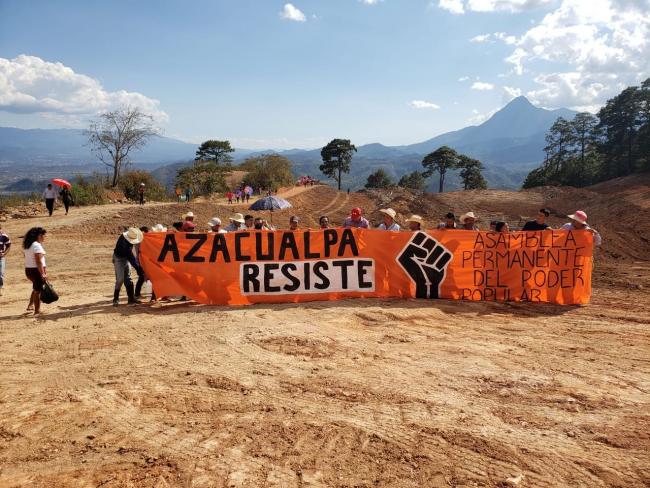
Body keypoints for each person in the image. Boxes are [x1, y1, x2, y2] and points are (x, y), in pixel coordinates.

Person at [112, 227, 144, 306]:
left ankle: (131, 299)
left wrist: (138, 267)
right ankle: (115, 299)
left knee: (128, 278)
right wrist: (138, 268)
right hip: (118, 258)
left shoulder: (129, 235)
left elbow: (130, 256)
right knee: (120, 279)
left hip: (125, 258)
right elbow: (130, 256)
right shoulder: (125, 243)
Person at [23, 227, 47, 315]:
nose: (45, 237)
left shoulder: (28, 245)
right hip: (36, 270)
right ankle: (37, 311)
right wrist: (43, 273)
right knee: (38, 290)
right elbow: (38, 261)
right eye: (44, 235)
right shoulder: (36, 245)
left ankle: (30, 305)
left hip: (29, 269)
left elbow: (26, 257)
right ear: (39, 236)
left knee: (36, 288)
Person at [134, 226, 149, 299]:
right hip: (141, 260)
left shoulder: (138, 239)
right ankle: (137, 294)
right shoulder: (139, 240)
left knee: (142, 277)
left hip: (142, 260)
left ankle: (137, 293)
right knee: (142, 277)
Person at [0, 224, 11, 296]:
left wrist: (4, 254)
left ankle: (0, 288)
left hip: (1, 258)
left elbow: (8, 245)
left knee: (1, 273)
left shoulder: (4, 236)